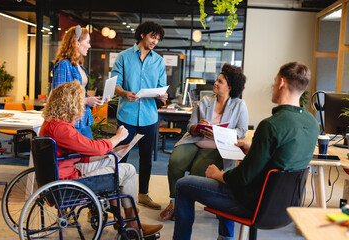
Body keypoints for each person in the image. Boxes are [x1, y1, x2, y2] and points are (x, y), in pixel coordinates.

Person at [173, 61, 320, 240]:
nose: (273, 86)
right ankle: (225, 237)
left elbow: (241, 178)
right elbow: (283, 161)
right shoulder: (312, 124)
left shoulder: (270, 125)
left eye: (274, 82)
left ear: (281, 83)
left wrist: (217, 174)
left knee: (183, 184)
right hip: (285, 206)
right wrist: (254, 149)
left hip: (252, 202)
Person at [39, 80, 163, 236]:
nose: (82, 107)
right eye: (80, 102)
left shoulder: (50, 124)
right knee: (128, 169)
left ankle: (120, 214)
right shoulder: (62, 129)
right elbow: (93, 147)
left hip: (63, 173)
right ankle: (130, 221)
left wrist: (110, 152)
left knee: (111, 160)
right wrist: (117, 138)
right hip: (69, 183)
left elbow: (79, 153)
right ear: (71, 105)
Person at [160, 63, 248, 221]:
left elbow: (241, 131)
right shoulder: (205, 101)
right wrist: (197, 127)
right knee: (175, 161)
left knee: (197, 172)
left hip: (217, 146)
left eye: (220, 82)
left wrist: (219, 132)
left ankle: (180, 205)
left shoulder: (239, 105)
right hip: (195, 140)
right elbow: (190, 126)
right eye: (217, 80)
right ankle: (174, 201)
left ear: (230, 87)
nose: (215, 83)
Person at [111, 21, 167, 210]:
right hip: (127, 114)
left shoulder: (159, 61)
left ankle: (143, 194)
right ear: (142, 34)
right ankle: (115, 195)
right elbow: (115, 86)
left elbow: (161, 87)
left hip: (149, 116)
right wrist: (125, 93)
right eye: (153, 36)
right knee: (121, 156)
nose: (155, 41)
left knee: (146, 157)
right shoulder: (124, 57)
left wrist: (163, 95)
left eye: (157, 39)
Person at [53, 25, 105, 139]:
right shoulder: (63, 65)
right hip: (71, 121)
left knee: (90, 153)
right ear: (76, 43)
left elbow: (81, 93)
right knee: (80, 155)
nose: (89, 46)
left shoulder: (80, 65)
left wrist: (96, 100)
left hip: (83, 119)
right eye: (87, 42)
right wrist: (86, 100)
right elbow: (59, 98)